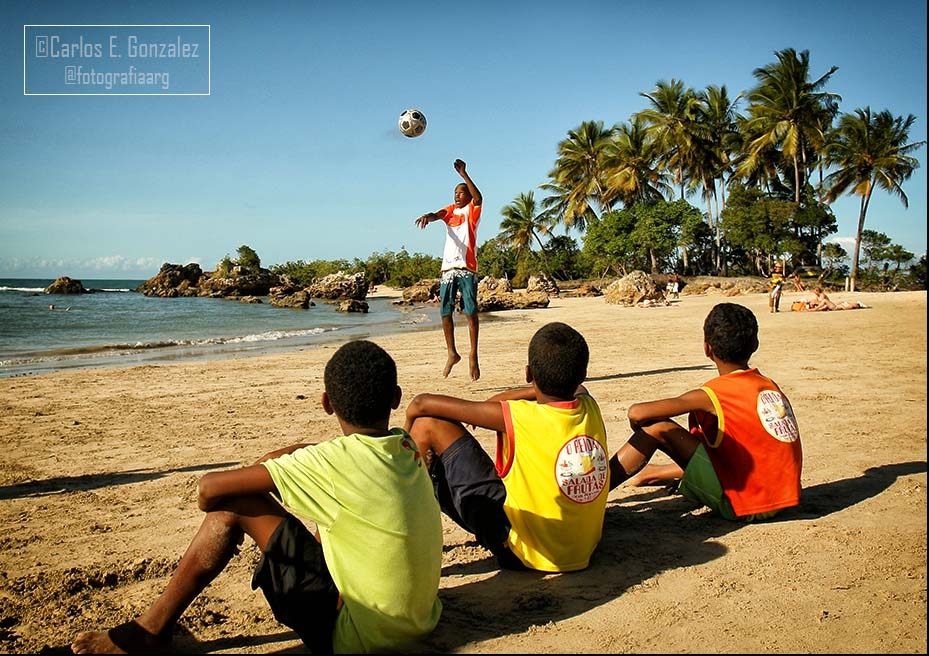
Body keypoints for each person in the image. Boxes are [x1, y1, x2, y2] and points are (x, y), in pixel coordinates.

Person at [71, 340, 443, 655]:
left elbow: (209, 490)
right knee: (333, 511)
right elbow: (340, 458)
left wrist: (271, 465)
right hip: (420, 623)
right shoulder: (403, 443)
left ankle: (150, 630)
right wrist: (297, 456)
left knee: (236, 505)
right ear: (395, 398)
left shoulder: (330, 464)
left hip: (355, 641)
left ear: (327, 403)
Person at [405, 321, 609, 572]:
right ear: (583, 373)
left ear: (528, 373)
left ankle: (402, 525)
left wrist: (405, 432)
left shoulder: (517, 416)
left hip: (522, 553)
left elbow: (421, 404)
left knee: (427, 425)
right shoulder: (589, 406)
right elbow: (579, 388)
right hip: (580, 549)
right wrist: (510, 396)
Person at [608, 302, 802, 522]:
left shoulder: (713, 394)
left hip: (749, 506)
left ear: (707, 348)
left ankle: (594, 494)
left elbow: (637, 412)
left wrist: (642, 429)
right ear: (755, 343)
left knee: (656, 428)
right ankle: (660, 473)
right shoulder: (768, 384)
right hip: (786, 495)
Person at [415, 158, 483, 381]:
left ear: (467, 196)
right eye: (455, 192)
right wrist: (428, 216)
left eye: (461, 192)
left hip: (466, 268)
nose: (457, 195)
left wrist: (464, 175)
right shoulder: (451, 211)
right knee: (445, 311)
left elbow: (479, 197)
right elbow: (438, 214)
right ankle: (452, 353)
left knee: (470, 312)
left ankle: (473, 355)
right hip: (447, 269)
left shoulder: (472, 212)